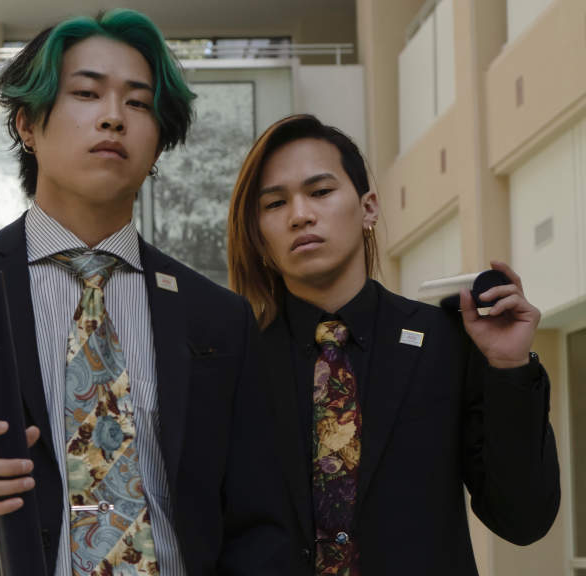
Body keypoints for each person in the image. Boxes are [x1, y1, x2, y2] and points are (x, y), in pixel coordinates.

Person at [0, 9, 287, 576]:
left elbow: (259, 525)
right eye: (86, 94)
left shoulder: (216, 317)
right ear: (27, 125)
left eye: (138, 103)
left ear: (159, 143)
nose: (113, 117)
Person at [225, 113, 560, 575]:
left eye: (320, 192)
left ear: (369, 208)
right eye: (275, 203)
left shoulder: (445, 341)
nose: (300, 215)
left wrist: (510, 367)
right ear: (259, 235)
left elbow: (523, 519)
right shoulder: (232, 360)